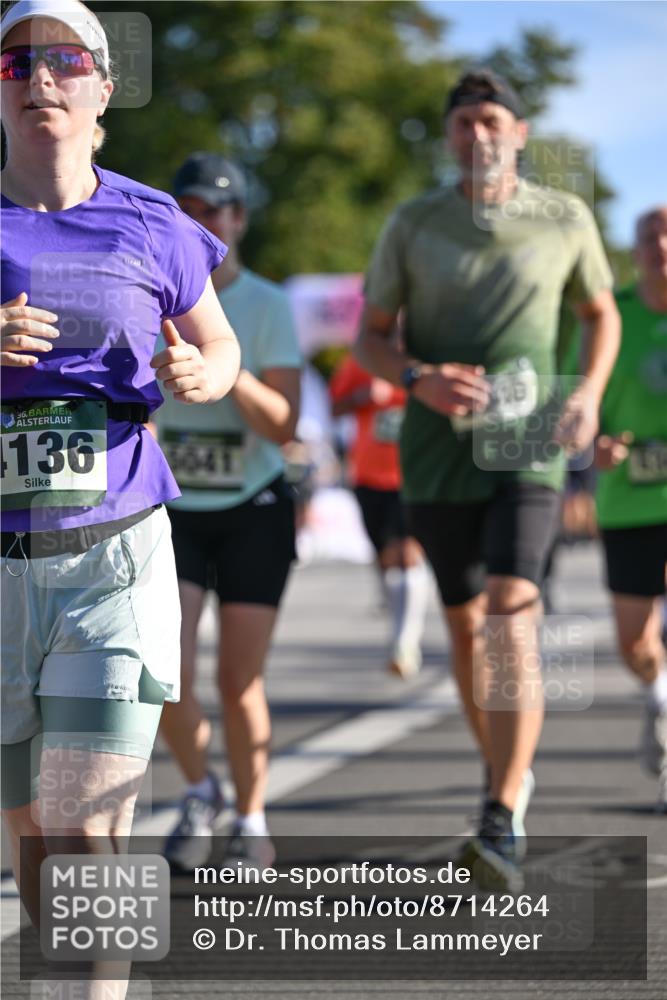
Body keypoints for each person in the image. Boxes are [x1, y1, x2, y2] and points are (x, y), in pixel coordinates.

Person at [0, 1, 240, 993]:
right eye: (15, 64)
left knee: (87, 819)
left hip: (115, 551)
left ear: (102, 89)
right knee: (32, 829)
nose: (38, 78)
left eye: (63, 60)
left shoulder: (154, 221)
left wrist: (205, 375)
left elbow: (218, 342)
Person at [356, 67, 620, 888]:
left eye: (491, 121)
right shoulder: (413, 222)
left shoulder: (563, 217)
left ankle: (499, 813)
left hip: (528, 442)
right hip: (436, 451)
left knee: (510, 613)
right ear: (447, 137)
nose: (477, 135)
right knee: (468, 631)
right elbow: (370, 338)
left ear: (519, 134)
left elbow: (599, 313)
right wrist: (418, 378)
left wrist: (587, 393)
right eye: (463, 122)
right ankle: (506, 771)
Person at [153, 153, 301, 871]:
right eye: (185, 209)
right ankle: (198, 789)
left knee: (238, 681)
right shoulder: (147, 292)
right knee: (165, 671)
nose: (199, 222)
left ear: (238, 220)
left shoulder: (267, 304)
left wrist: (220, 364)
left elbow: (284, 424)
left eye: (213, 211)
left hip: (253, 506)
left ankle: (251, 816)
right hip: (176, 508)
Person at [594, 206, 667, 812]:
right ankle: (659, 694)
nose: (661, 245)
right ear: (635, 249)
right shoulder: (609, 314)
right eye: (649, 237)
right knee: (634, 644)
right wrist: (593, 440)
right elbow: (579, 393)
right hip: (628, 499)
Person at [330, 351, 430, 677]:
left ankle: (405, 643)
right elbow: (334, 406)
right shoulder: (361, 359)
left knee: (408, 554)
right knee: (386, 558)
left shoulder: (428, 356)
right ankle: (398, 628)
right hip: (369, 477)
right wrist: (362, 396)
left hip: (415, 476)